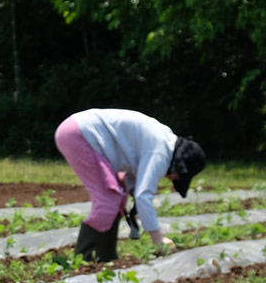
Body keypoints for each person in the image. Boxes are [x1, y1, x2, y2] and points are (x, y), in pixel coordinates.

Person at [54, 108, 206, 262]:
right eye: (178, 177)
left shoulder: (164, 141)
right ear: (180, 167)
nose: (172, 178)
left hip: (82, 131)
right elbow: (143, 195)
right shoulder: (161, 152)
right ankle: (84, 261)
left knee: (118, 196)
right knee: (108, 199)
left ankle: (106, 258)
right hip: (80, 134)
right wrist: (158, 238)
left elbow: (132, 181)